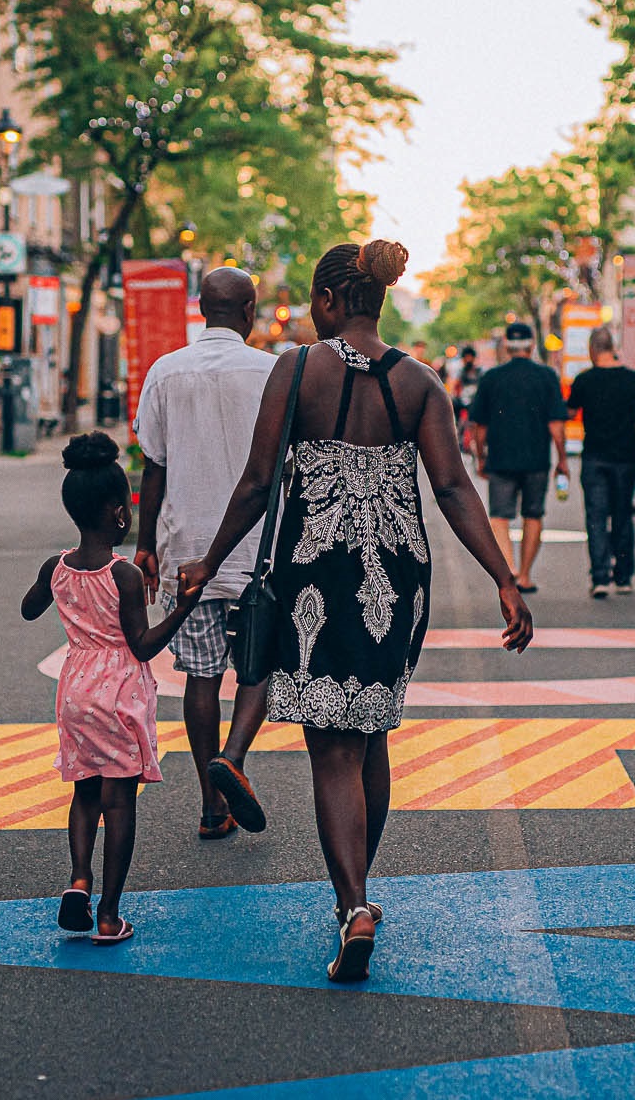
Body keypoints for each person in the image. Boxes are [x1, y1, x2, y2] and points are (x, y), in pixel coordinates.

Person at [180, 239, 532, 984]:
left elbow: (254, 481)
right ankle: (355, 897)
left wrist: (210, 561)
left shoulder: (299, 369)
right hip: (399, 578)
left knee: (331, 747)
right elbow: (455, 489)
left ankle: (355, 904)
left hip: (319, 570)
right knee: (370, 733)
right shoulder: (421, 381)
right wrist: (505, 578)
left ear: (333, 301)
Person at [21, 432, 203, 945]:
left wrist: (51, 588)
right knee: (118, 801)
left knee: (83, 791)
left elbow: (28, 608)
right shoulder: (121, 574)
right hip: (119, 693)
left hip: (76, 690)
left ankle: (79, 881)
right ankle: (108, 913)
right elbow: (142, 646)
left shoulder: (56, 567)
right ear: (120, 512)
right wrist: (184, 608)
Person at [134, 267, 278, 840]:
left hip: (187, 551)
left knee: (200, 676)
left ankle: (210, 800)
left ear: (200, 309)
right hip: (258, 552)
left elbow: (153, 464)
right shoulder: (271, 372)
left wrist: (145, 545)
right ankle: (234, 760)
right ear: (248, 314)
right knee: (258, 665)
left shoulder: (165, 372)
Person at [469, 321, 569, 594]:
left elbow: (480, 426)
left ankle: (509, 568)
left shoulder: (492, 377)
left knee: (500, 516)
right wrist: (562, 459)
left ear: (506, 346)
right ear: (532, 345)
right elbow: (556, 426)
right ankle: (525, 575)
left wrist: (481, 456)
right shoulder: (547, 376)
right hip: (536, 460)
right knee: (533, 515)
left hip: (501, 458)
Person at [566, 326, 635, 598]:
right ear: (613, 347)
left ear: (593, 350)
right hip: (625, 458)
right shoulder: (633, 379)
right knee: (622, 515)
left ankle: (600, 578)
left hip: (594, 457)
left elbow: (569, 412)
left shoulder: (584, 380)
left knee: (596, 517)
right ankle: (624, 576)